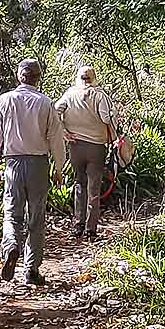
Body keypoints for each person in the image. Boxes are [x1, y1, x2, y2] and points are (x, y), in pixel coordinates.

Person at [0, 58, 66, 285]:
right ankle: (31, 269)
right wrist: (58, 167)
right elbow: (56, 139)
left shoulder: (5, 100)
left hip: (12, 163)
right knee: (36, 217)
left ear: (19, 76)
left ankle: (11, 244)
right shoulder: (46, 103)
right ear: (38, 78)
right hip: (39, 164)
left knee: (12, 213)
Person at [55, 66, 115, 240]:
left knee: (79, 184)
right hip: (96, 146)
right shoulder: (99, 95)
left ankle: (77, 224)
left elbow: (55, 110)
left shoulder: (70, 93)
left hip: (75, 146)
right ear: (94, 78)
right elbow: (106, 118)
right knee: (94, 188)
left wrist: (64, 132)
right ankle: (91, 229)